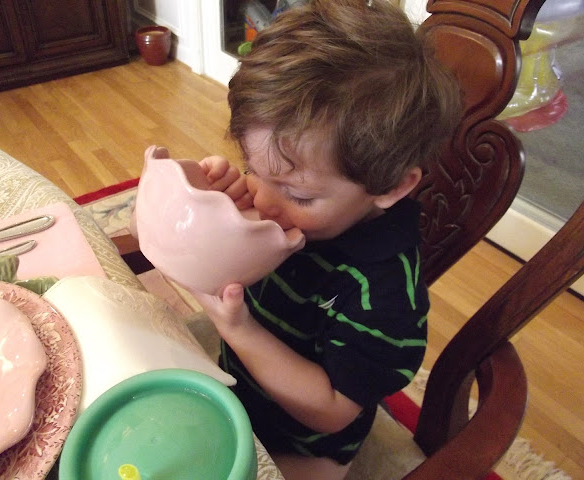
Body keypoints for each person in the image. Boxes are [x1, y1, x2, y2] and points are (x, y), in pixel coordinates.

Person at [191, 1, 462, 479]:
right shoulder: (287, 206)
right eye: (256, 170)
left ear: (391, 186)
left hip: (305, 447)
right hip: (233, 392)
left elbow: (333, 409)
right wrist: (222, 211)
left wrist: (239, 330)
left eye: (296, 192)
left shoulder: (382, 292)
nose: (266, 201)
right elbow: (254, 222)